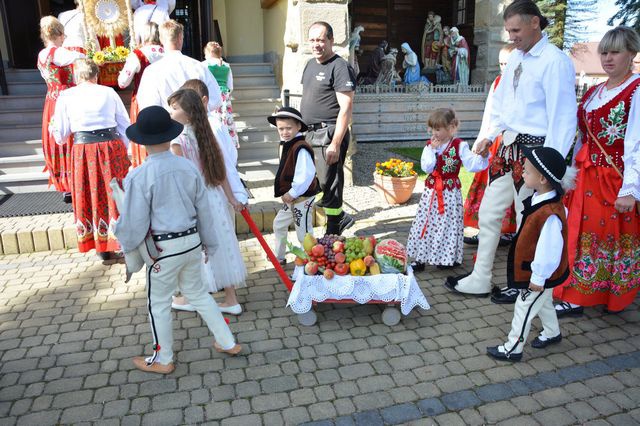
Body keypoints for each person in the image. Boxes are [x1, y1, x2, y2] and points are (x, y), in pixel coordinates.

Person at [444, 0, 577, 299]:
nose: (511, 37)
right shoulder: (516, 58)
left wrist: (550, 169)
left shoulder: (555, 61)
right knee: (489, 214)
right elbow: (502, 104)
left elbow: (564, 117)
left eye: (516, 30)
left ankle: (523, 286)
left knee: (528, 221)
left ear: (535, 23)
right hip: (507, 149)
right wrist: (488, 135)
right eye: (508, 30)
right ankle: (480, 277)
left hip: (536, 153)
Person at [115, 105, 241, 374]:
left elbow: (133, 222)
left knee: (158, 303)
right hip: (192, 243)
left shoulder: (139, 175)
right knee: (198, 293)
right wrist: (210, 242)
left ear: (142, 140)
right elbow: (203, 209)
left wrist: (125, 244)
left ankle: (163, 359)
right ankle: (227, 341)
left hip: (163, 250)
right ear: (170, 135)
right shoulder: (187, 168)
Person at [553, 26, 640, 316]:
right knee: (579, 231)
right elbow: (582, 138)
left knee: (603, 236)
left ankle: (595, 294)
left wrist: (630, 188)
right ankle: (578, 292)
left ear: (632, 54)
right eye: (604, 52)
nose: (608, 58)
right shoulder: (594, 93)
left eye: (615, 52)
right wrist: (570, 171)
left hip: (613, 179)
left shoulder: (637, 89)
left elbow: (636, 143)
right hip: (585, 176)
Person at [487, 147, 575, 362]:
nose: (522, 173)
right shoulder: (541, 201)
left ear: (542, 178)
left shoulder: (550, 214)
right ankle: (552, 332)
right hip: (542, 274)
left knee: (524, 305)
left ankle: (512, 348)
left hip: (540, 273)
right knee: (543, 302)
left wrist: (538, 278)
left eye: (526, 171)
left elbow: (549, 249)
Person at [167, 89, 248, 315]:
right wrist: (231, 198)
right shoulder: (206, 135)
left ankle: (192, 296)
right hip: (215, 197)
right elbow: (219, 172)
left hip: (195, 201)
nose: (170, 111)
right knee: (222, 245)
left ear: (189, 113)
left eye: (174, 107)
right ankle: (231, 298)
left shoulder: (178, 141)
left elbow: (181, 179)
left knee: (196, 249)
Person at [51, 59, 131, 260]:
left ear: (78, 77)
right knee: (114, 192)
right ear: (96, 75)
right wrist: (126, 149)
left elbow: (61, 134)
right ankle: (121, 240)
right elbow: (124, 124)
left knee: (90, 193)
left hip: (83, 150)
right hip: (110, 147)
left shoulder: (66, 96)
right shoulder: (109, 92)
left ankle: (101, 245)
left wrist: (53, 128)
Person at [406, 108, 488, 271]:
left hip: (449, 193)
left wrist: (484, 156)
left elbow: (472, 164)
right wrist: (432, 150)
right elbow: (427, 168)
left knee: (448, 224)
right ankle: (421, 258)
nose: (434, 133)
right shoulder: (430, 146)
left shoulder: (459, 145)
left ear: (451, 128)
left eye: (438, 129)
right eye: (432, 129)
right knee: (427, 223)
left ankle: (446, 257)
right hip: (432, 194)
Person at [300, 21, 356, 236]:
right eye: (313, 40)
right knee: (319, 182)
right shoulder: (309, 64)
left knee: (329, 182)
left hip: (328, 133)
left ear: (331, 40)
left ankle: (334, 227)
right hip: (310, 133)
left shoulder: (340, 67)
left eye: (321, 40)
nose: (316, 45)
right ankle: (337, 220)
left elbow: (346, 107)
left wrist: (335, 142)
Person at [463, 43, 517, 254]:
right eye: (501, 63)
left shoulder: (520, 82)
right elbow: (490, 113)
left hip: (511, 141)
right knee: (487, 184)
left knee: (507, 185)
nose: (504, 67)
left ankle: (508, 230)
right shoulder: (497, 82)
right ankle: (484, 229)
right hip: (495, 141)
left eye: (507, 63)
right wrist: (483, 137)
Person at [37, 16, 85, 200]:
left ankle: (63, 181)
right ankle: (72, 182)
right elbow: (81, 56)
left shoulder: (42, 54)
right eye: (63, 35)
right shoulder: (59, 53)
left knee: (57, 138)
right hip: (65, 99)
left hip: (51, 99)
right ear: (58, 34)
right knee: (69, 137)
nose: (64, 38)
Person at [268, 107, 320, 265]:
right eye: (280, 128)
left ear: (298, 126)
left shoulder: (300, 147)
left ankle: (310, 264)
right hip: (292, 199)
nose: (284, 132)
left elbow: (305, 176)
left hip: (301, 198)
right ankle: (279, 256)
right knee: (279, 224)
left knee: (304, 233)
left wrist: (292, 193)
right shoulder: (287, 145)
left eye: (288, 128)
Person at [136, 20, 222, 111]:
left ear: (161, 39)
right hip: (195, 121)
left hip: (168, 122)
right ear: (181, 37)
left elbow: (148, 105)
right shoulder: (199, 67)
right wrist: (196, 112)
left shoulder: (152, 71)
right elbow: (216, 99)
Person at [118, 22, 164, 167]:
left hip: (142, 101)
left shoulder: (138, 54)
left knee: (144, 137)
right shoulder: (166, 52)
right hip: (165, 99)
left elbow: (123, 82)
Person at [202, 41, 239, 149]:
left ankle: (214, 144)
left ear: (208, 52)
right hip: (224, 96)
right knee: (225, 120)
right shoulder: (226, 65)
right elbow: (230, 86)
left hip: (210, 95)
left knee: (212, 120)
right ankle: (229, 144)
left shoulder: (204, 64)